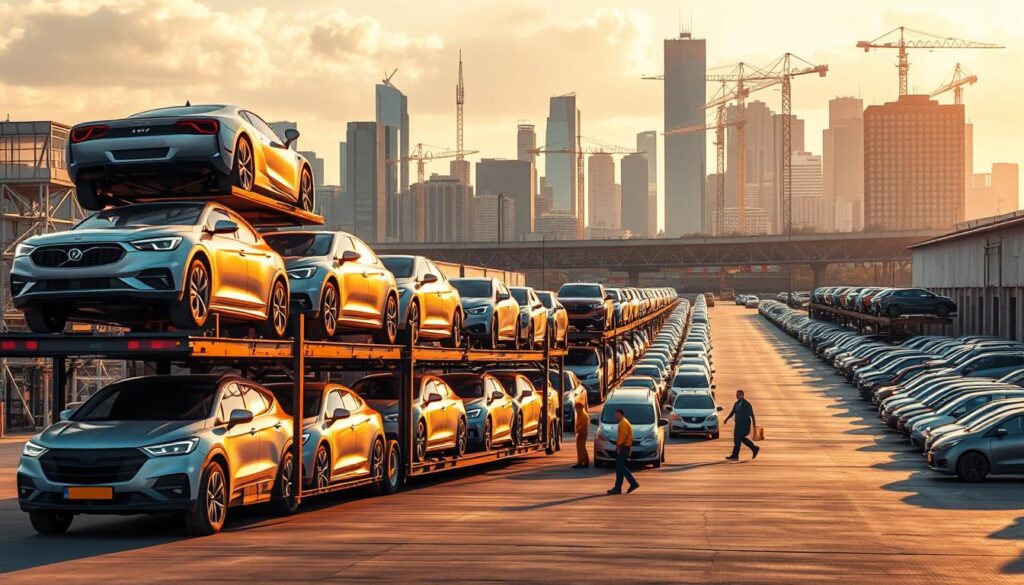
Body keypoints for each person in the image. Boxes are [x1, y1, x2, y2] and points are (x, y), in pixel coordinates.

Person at [607, 408, 639, 494]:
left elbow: (623, 436)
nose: (615, 416)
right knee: (619, 468)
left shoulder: (623, 423)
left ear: (621, 414)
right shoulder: (624, 422)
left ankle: (633, 483)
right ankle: (618, 488)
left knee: (620, 467)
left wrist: (618, 446)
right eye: (615, 415)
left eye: (617, 414)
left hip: (624, 447)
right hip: (625, 447)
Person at [724, 389, 760, 461]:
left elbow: (752, 414)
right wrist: (726, 419)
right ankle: (754, 448)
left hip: (745, 425)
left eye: (740, 394)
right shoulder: (736, 404)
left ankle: (735, 456)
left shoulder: (747, 404)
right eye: (737, 394)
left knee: (738, 439)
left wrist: (754, 425)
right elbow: (732, 412)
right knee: (741, 439)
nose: (738, 395)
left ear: (743, 395)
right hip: (738, 425)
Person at [572, 396, 590, 468]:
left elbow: (581, 425)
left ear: (580, 408)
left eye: (576, 408)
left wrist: (576, 430)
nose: (576, 410)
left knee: (580, 448)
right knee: (582, 448)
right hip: (581, 433)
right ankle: (585, 461)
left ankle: (580, 462)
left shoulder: (583, 415)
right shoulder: (581, 414)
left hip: (582, 434)